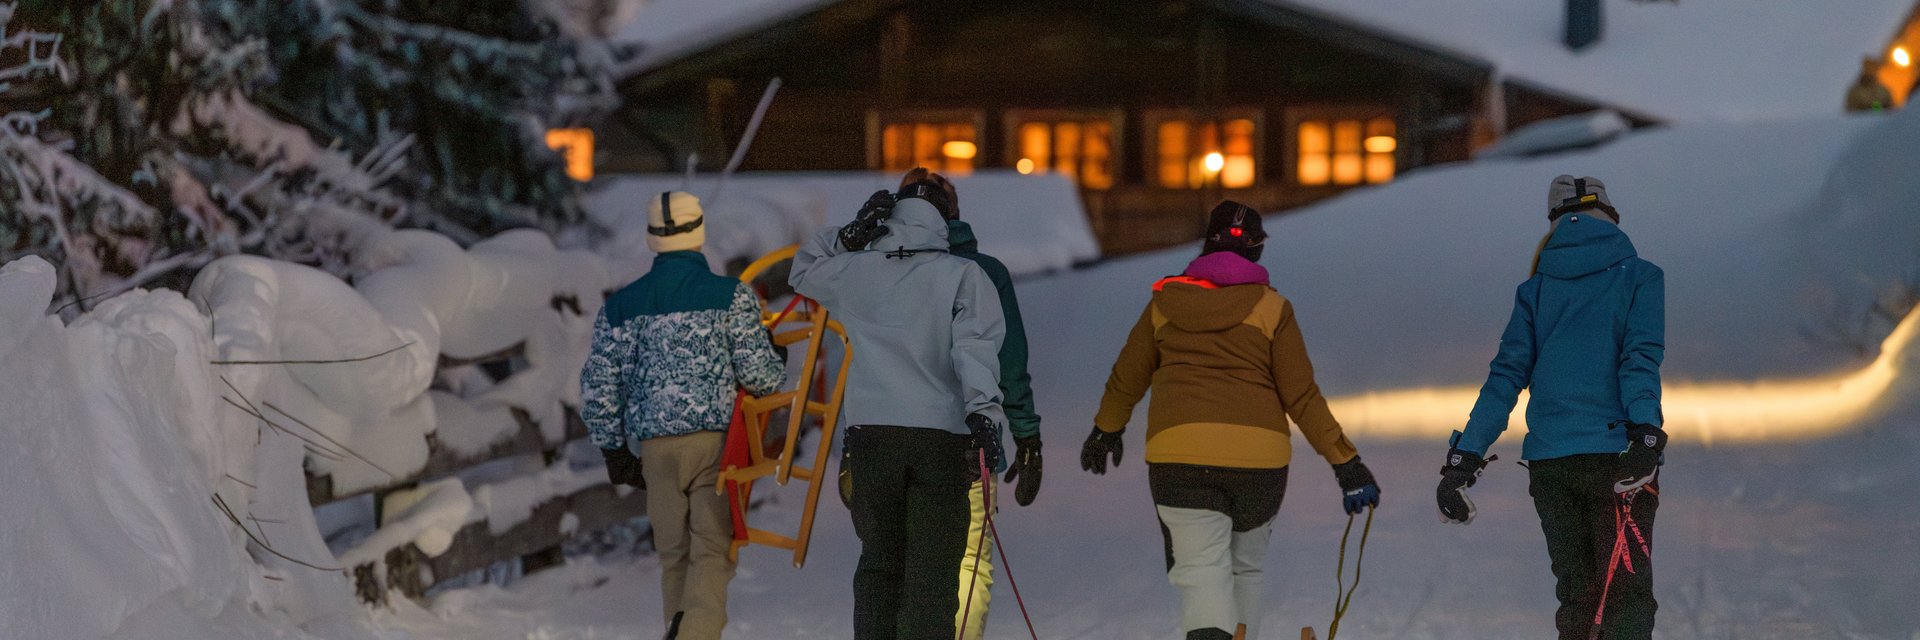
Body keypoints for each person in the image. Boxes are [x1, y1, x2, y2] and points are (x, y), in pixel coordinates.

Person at [1084, 201, 1380, 640]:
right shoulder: (1273, 309)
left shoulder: (1164, 304)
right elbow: (1301, 396)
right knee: (1245, 568)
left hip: (1178, 456)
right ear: (1257, 251)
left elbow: (1126, 378)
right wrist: (1345, 463)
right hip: (1258, 464)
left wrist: (1107, 428)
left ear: (1206, 244)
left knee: (1201, 568)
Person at [1436, 175, 1666, 640]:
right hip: (1619, 461)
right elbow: (1638, 360)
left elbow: (1505, 378)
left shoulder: (1535, 291)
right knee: (1625, 599)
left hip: (1552, 466)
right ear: (1611, 215)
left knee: (1578, 599)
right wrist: (1645, 430)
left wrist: (1464, 458)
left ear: (1554, 222)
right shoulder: (1641, 277)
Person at [789, 171, 1007, 639]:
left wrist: (847, 237)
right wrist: (986, 417)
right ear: (945, 221)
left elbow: (802, 270)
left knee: (879, 567)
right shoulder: (964, 275)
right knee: (932, 576)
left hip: (872, 439)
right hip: (940, 440)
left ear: (892, 213)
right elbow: (975, 350)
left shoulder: (857, 270)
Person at [579, 191, 787, 640]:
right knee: (712, 552)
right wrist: (776, 356)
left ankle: (676, 629)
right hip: (715, 445)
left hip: (655, 451)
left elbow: (598, 388)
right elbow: (762, 378)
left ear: (652, 237)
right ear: (699, 232)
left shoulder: (620, 307)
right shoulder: (731, 297)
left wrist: (613, 449)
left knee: (674, 554)